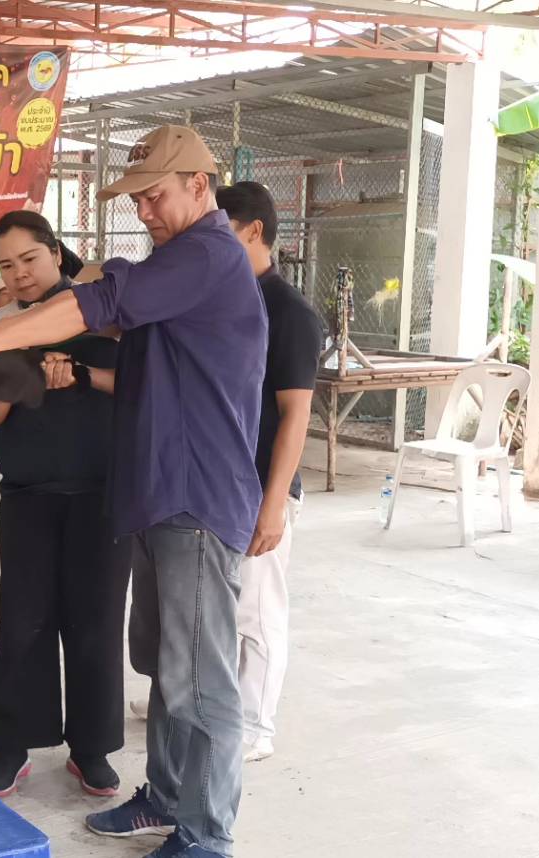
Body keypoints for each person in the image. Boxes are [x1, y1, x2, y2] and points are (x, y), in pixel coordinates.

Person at [0, 125, 266, 858]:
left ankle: (207, 836)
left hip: (196, 496)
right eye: (135, 199)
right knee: (168, 670)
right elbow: (113, 291)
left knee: (200, 682)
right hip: (156, 495)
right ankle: (168, 799)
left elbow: (104, 301)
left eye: (154, 196)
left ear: (199, 186)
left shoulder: (208, 251)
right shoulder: (177, 259)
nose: (143, 211)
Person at [0, 210, 125, 799]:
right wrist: (22, 377)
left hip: (102, 496)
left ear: (57, 255)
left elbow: (141, 389)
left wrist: (80, 373)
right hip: (29, 497)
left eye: (29, 259)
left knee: (95, 624)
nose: (19, 274)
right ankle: (12, 746)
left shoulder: (106, 318)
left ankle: (91, 749)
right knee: (23, 624)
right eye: (6, 265)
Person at [213, 181, 324, 764]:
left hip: (261, 486)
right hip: (218, 483)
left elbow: (295, 414)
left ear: (254, 231)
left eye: (221, 233)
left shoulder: (289, 312)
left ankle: (256, 727)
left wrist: (274, 503)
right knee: (217, 610)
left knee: (256, 612)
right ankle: (210, 704)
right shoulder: (225, 298)